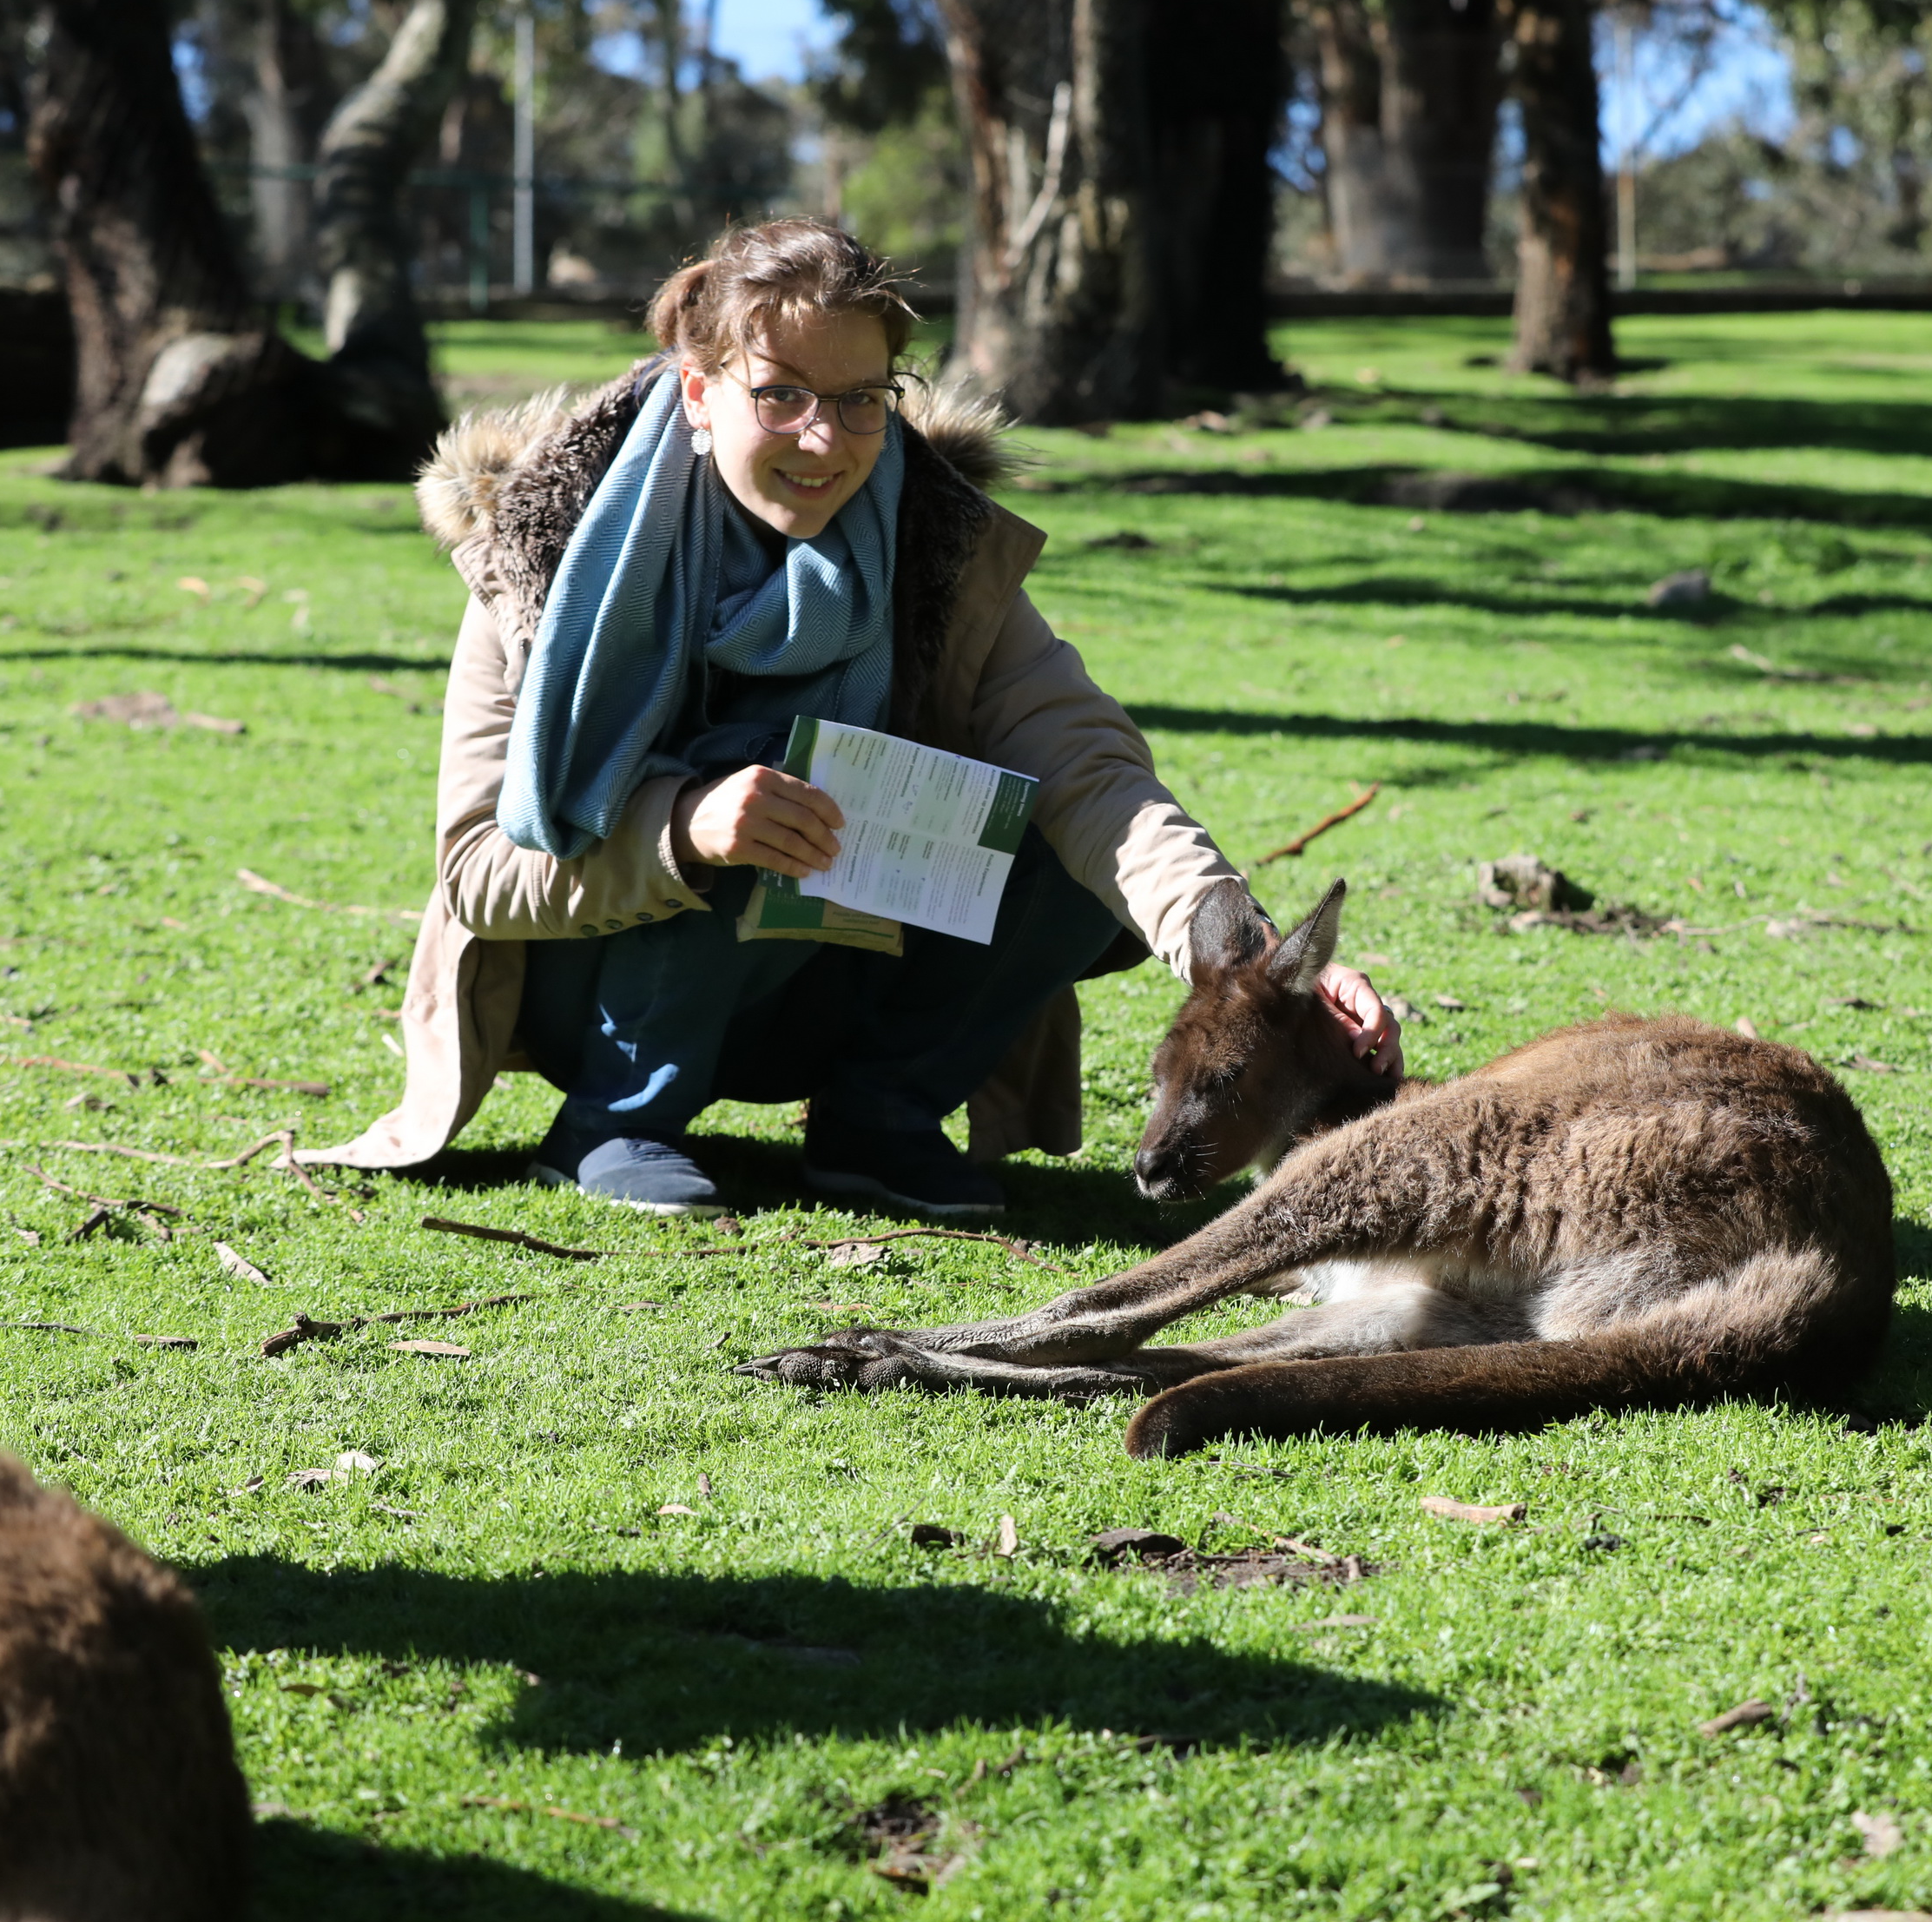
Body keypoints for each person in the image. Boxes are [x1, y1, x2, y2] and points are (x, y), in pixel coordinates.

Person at [300, 219, 1400, 1217]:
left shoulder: (932, 546)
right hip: (603, 981)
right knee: (749, 771)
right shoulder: (546, 558)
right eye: (779, 394)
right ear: (698, 390)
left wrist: (1252, 963)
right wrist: (686, 827)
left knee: (1068, 838)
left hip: (832, 974)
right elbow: (479, 871)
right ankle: (615, 1122)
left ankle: (879, 1120)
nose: (824, 440)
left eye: (862, 399)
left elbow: (1089, 767)